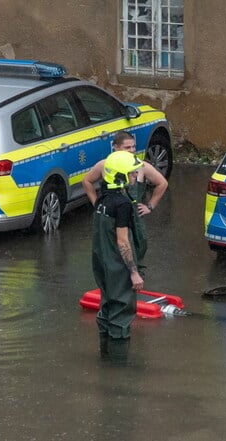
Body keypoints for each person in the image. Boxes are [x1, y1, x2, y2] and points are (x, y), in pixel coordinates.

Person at [82, 130, 168, 273]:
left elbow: (162, 183)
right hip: (110, 215)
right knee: (110, 250)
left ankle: (136, 277)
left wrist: (150, 206)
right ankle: (114, 280)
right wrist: (96, 202)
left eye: (133, 147)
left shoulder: (140, 166)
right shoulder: (105, 165)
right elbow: (86, 181)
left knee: (137, 247)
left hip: (133, 216)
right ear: (115, 147)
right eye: (127, 147)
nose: (132, 150)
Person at [92, 150, 145, 363]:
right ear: (120, 176)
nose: (135, 177)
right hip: (118, 267)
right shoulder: (122, 204)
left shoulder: (102, 199)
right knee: (121, 314)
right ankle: (118, 369)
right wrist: (133, 272)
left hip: (101, 265)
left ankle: (105, 359)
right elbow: (123, 241)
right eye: (132, 174)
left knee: (106, 307)